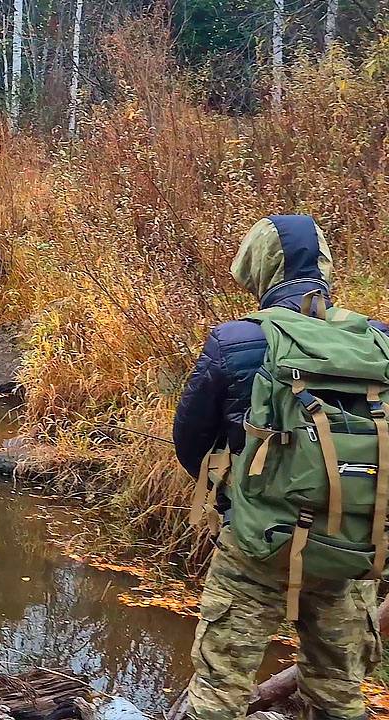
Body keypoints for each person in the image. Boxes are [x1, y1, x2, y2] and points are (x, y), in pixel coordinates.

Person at [173, 215, 387, 720]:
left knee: (220, 690)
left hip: (258, 548)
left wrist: (238, 489)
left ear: (259, 269)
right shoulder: (377, 342)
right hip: (352, 549)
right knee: (339, 693)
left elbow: (190, 444)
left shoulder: (237, 343)